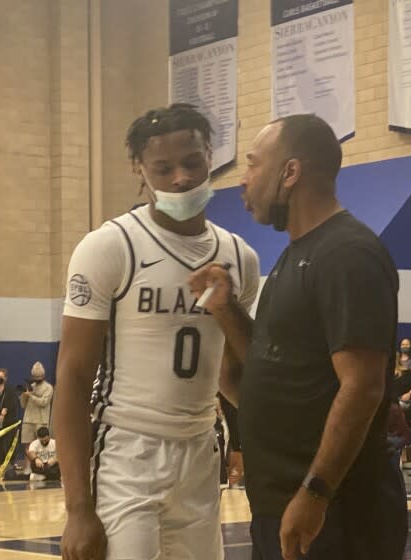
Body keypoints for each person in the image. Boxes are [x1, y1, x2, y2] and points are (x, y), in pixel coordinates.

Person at [189, 114, 407, 559]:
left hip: (337, 513)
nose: (243, 181)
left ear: (290, 172)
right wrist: (226, 309)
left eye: (252, 165)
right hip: (284, 504)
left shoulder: (347, 254)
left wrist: (315, 492)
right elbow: (272, 367)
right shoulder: (296, 256)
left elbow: (363, 386)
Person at [53, 104, 260, 560]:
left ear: (211, 155)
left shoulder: (239, 256)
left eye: (192, 162)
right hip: (128, 449)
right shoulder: (109, 246)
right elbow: (71, 376)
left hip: (203, 446)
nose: (181, 179)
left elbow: (234, 376)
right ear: (139, 170)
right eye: (163, 168)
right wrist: (77, 508)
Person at [20, 362, 53, 472]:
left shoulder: (48, 387)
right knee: (28, 446)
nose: (36, 379)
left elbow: (43, 402)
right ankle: (28, 467)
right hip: (28, 419)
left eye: (38, 377)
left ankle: (41, 467)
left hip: (41, 420)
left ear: (43, 376)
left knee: (40, 445)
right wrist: (23, 396)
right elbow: (23, 405)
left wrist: (31, 396)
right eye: (35, 377)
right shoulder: (31, 387)